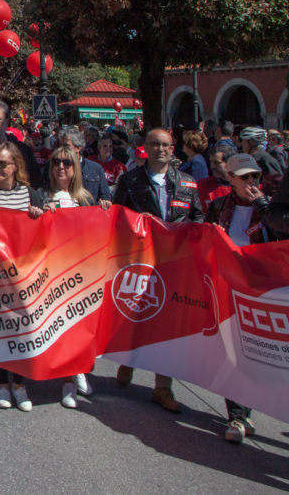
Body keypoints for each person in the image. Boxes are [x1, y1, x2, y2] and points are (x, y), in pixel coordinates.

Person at [112, 128, 203, 413]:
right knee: (137, 313)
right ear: (146, 148)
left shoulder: (188, 182)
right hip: (140, 258)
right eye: (154, 144)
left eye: (165, 145)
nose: (160, 149)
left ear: (172, 149)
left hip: (174, 261)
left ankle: (163, 387)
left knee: (167, 324)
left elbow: (198, 218)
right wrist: (137, 222)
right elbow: (116, 216)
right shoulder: (129, 180)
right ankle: (128, 359)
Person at [203, 153, 273, 443]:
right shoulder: (219, 206)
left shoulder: (270, 207)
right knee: (232, 352)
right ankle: (237, 415)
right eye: (244, 177)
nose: (252, 181)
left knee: (256, 353)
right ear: (230, 178)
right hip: (228, 286)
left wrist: (264, 206)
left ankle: (244, 411)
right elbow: (205, 240)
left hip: (262, 290)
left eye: (255, 176)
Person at [0, 141, 45, 412]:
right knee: (2, 331)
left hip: (25, 275)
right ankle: (3, 385)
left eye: (3, 163)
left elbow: (46, 232)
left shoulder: (31, 195)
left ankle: (20, 385)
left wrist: (39, 215)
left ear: (16, 166)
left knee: (24, 330)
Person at [44, 144, 109, 407]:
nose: (61, 167)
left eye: (67, 162)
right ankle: (67, 382)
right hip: (54, 270)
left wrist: (104, 210)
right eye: (56, 162)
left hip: (82, 269)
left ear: (75, 167)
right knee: (62, 327)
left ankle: (78, 370)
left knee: (80, 326)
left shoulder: (87, 198)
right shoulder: (43, 195)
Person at [57, 127, 112, 205]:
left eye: (66, 146)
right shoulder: (53, 167)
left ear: (78, 148)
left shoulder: (96, 169)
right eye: (60, 146)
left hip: (88, 211)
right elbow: (45, 193)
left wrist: (104, 203)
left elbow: (105, 197)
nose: (62, 149)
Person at [197, 143, 235, 213]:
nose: (212, 166)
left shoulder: (239, 188)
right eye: (211, 162)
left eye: (217, 162)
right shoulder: (203, 185)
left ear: (230, 163)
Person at [90, 132, 126, 196]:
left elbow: (119, 187)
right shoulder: (90, 161)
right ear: (99, 147)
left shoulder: (119, 166)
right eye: (105, 146)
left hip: (109, 198)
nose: (108, 149)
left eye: (110, 146)